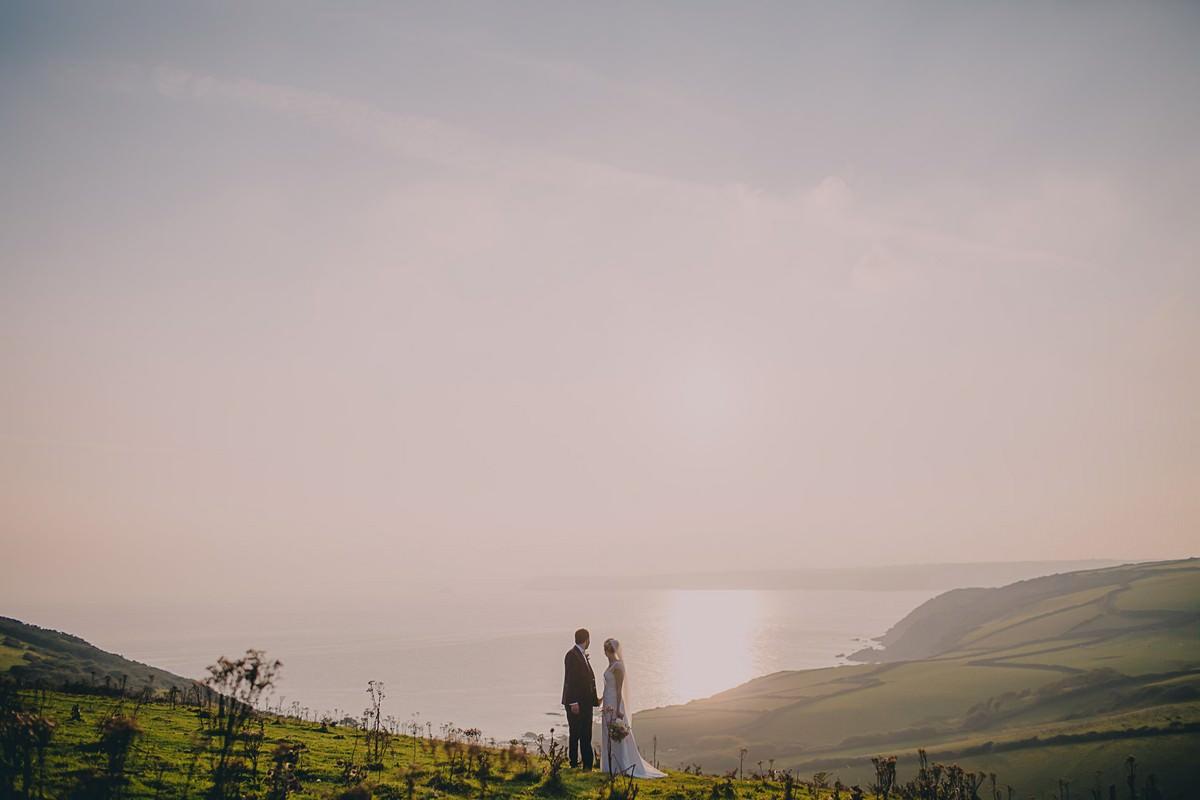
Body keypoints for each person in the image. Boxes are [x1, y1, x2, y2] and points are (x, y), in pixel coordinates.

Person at [599, 637, 666, 778]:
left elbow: (618, 689)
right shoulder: (610, 665)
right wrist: (600, 699)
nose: (605, 652)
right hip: (607, 703)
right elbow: (607, 687)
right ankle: (609, 766)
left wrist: (618, 709)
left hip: (615, 702)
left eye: (606, 649)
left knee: (617, 734)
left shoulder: (618, 667)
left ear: (609, 651)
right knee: (607, 733)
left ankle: (621, 764)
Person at [561, 627, 600, 770]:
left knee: (586, 734)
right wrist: (573, 703)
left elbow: (587, 680)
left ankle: (587, 764)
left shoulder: (581, 655)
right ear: (586, 640)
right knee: (576, 733)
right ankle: (573, 763)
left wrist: (595, 700)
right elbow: (571, 680)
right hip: (576, 704)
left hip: (586, 703)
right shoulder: (572, 655)